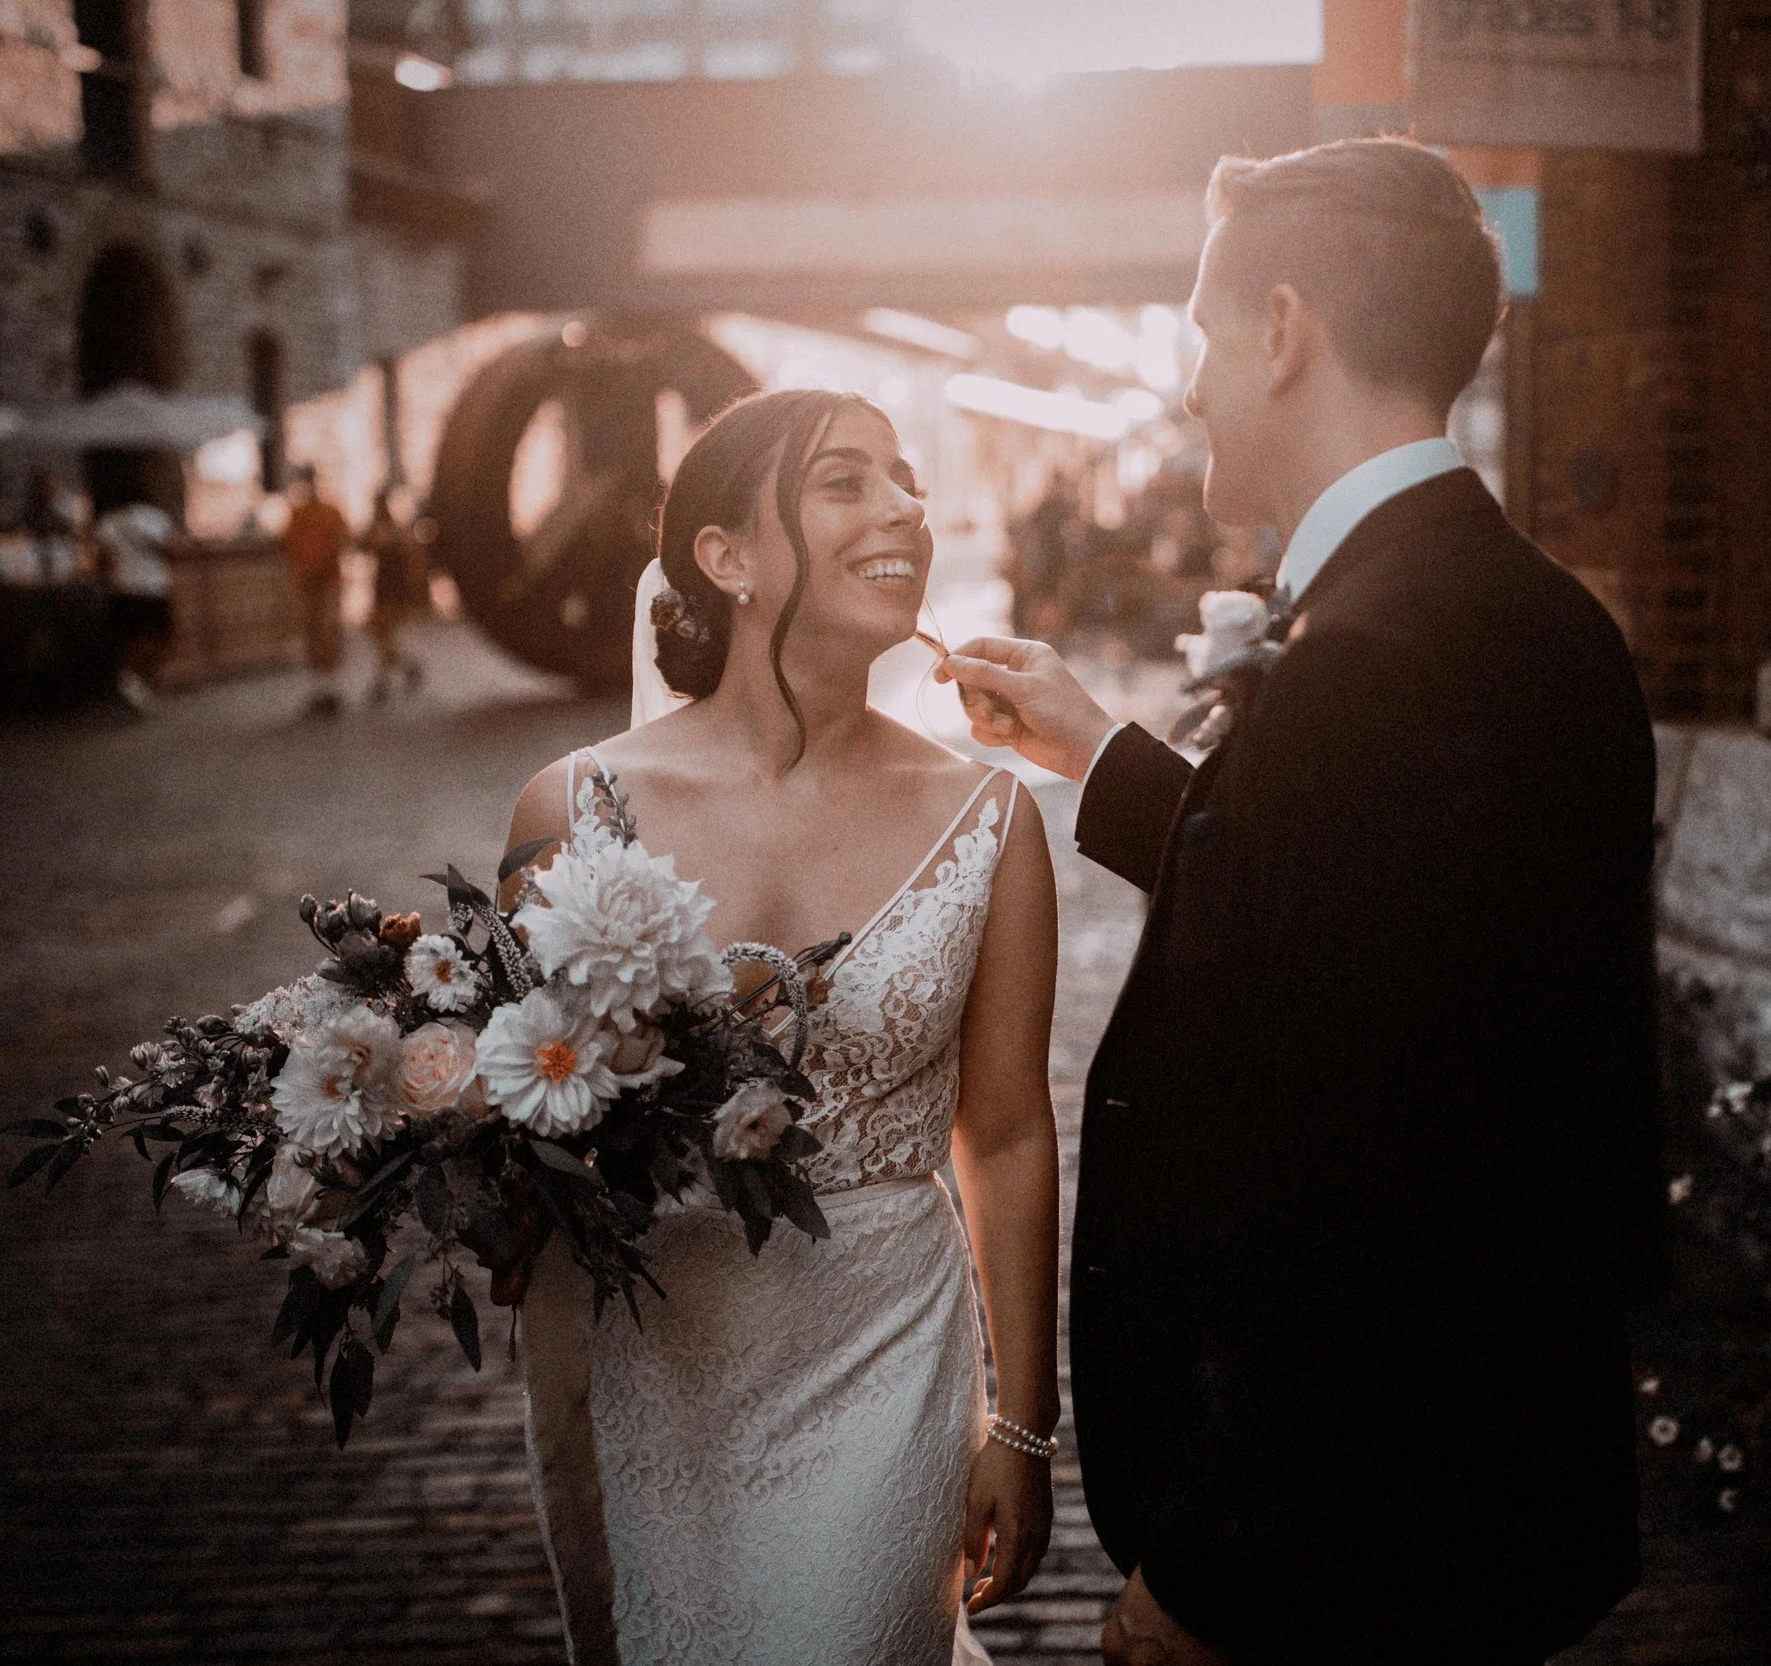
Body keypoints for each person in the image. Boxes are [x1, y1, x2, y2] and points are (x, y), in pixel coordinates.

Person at [940, 138, 1666, 1666]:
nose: (1193, 385)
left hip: (1350, 1551)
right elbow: (1348, 911)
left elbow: (1357, 1169)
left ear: (1281, 331)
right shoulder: (1521, 616)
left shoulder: (1371, 667)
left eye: (1203, 337)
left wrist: (1216, 1566)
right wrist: (1105, 755)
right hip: (1475, 1486)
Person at [501, 390, 1062, 1666]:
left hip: (887, 1352)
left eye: (907, 480)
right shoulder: (572, 807)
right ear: (727, 556)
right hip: (654, 1360)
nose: (905, 508)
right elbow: (526, 1106)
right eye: (846, 481)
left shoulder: (987, 821)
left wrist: (1022, 1427)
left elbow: (1014, 1136)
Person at [94, 496, 177, 712]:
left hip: (124, 587)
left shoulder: (108, 522)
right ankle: (136, 681)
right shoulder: (156, 519)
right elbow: (170, 550)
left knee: (132, 638)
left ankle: (131, 681)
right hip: (153, 587)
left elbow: (102, 559)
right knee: (158, 637)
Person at [279, 466, 349, 717]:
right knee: (312, 633)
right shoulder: (298, 515)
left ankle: (331, 688)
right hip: (309, 582)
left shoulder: (329, 513)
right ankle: (321, 689)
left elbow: (341, 540)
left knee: (327, 631)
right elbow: (289, 546)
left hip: (327, 579)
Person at [360, 486, 425, 702]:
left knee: (382, 635)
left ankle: (385, 681)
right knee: (382, 636)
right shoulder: (390, 530)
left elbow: (409, 561)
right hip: (385, 590)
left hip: (392, 591)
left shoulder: (392, 532)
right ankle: (403, 670)